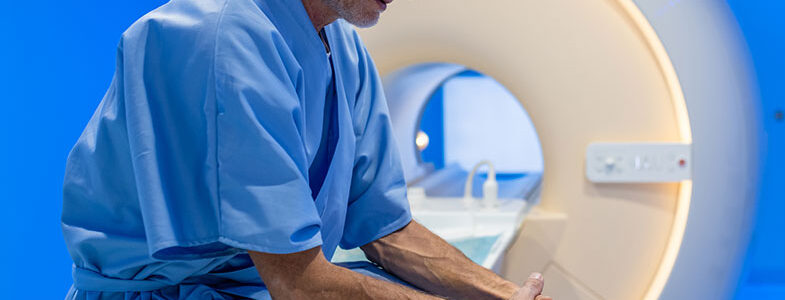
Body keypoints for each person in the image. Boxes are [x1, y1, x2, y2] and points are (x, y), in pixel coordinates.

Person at [60, 0, 550, 299]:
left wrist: (504, 292)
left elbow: (385, 228)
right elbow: (298, 283)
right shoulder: (224, 34)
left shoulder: (343, 46)